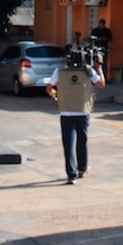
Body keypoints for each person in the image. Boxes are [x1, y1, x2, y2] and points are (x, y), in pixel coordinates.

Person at [46, 46, 105, 184]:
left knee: (68, 144)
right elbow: (101, 84)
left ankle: (71, 175)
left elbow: (49, 88)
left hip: (66, 111)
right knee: (82, 141)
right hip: (82, 111)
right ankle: (82, 169)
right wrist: (99, 67)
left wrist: (57, 97)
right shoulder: (88, 70)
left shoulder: (60, 71)